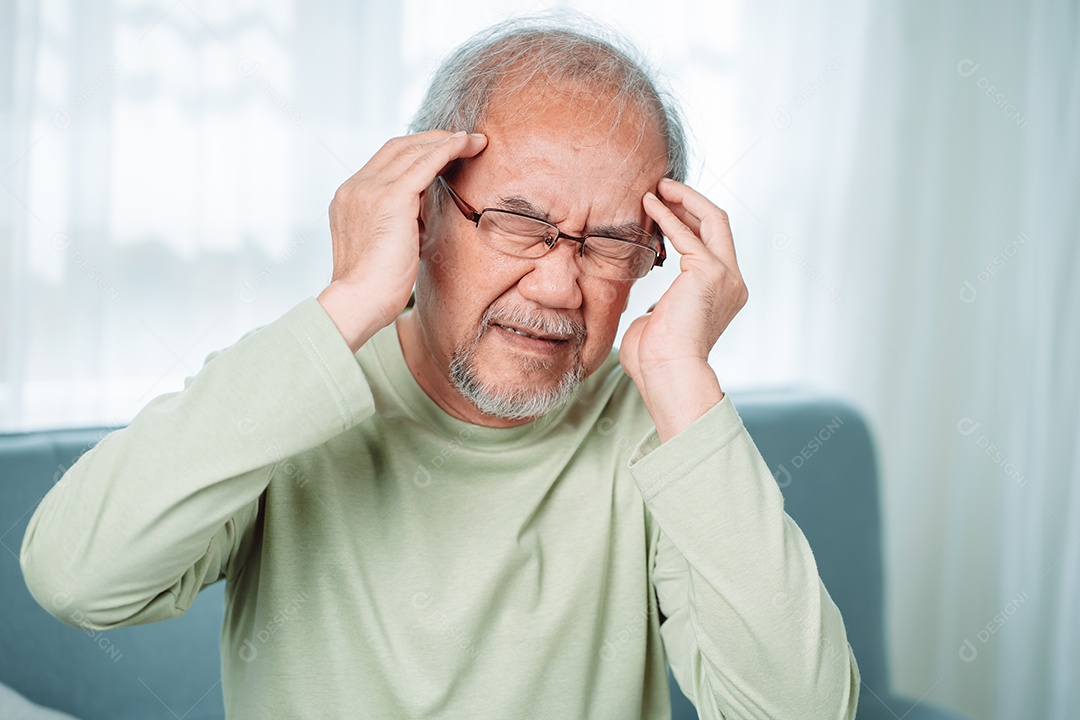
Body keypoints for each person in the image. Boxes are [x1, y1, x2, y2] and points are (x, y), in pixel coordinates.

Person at [21, 15, 859, 720]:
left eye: (609, 243)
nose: (561, 282)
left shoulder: (655, 433)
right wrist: (351, 300)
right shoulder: (295, 391)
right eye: (518, 223)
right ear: (421, 211)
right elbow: (77, 580)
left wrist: (682, 375)